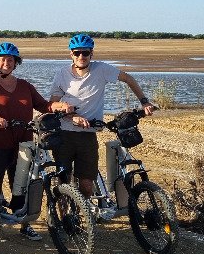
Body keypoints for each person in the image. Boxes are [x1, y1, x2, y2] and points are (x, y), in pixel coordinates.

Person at [0, 42, 71, 241]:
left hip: (23, 142)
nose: (6, 63)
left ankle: (24, 223)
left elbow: (43, 105)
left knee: (23, 185)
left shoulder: (25, 85)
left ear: (16, 62)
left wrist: (60, 106)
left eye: (10, 59)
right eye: (2, 59)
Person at [49, 33, 156, 196]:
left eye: (85, 53)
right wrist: (69, 112)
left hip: (88, 134)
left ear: (91, 54)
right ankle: (62, 212)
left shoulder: (101, 69)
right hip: (64, 134)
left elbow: (128, 79)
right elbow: (52, 104)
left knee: (86, 185)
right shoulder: (62, 74)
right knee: (63, 181)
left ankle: (85, 210)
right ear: (71, 54)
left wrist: (145, 102)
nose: (81, 56)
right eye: (77, 53)